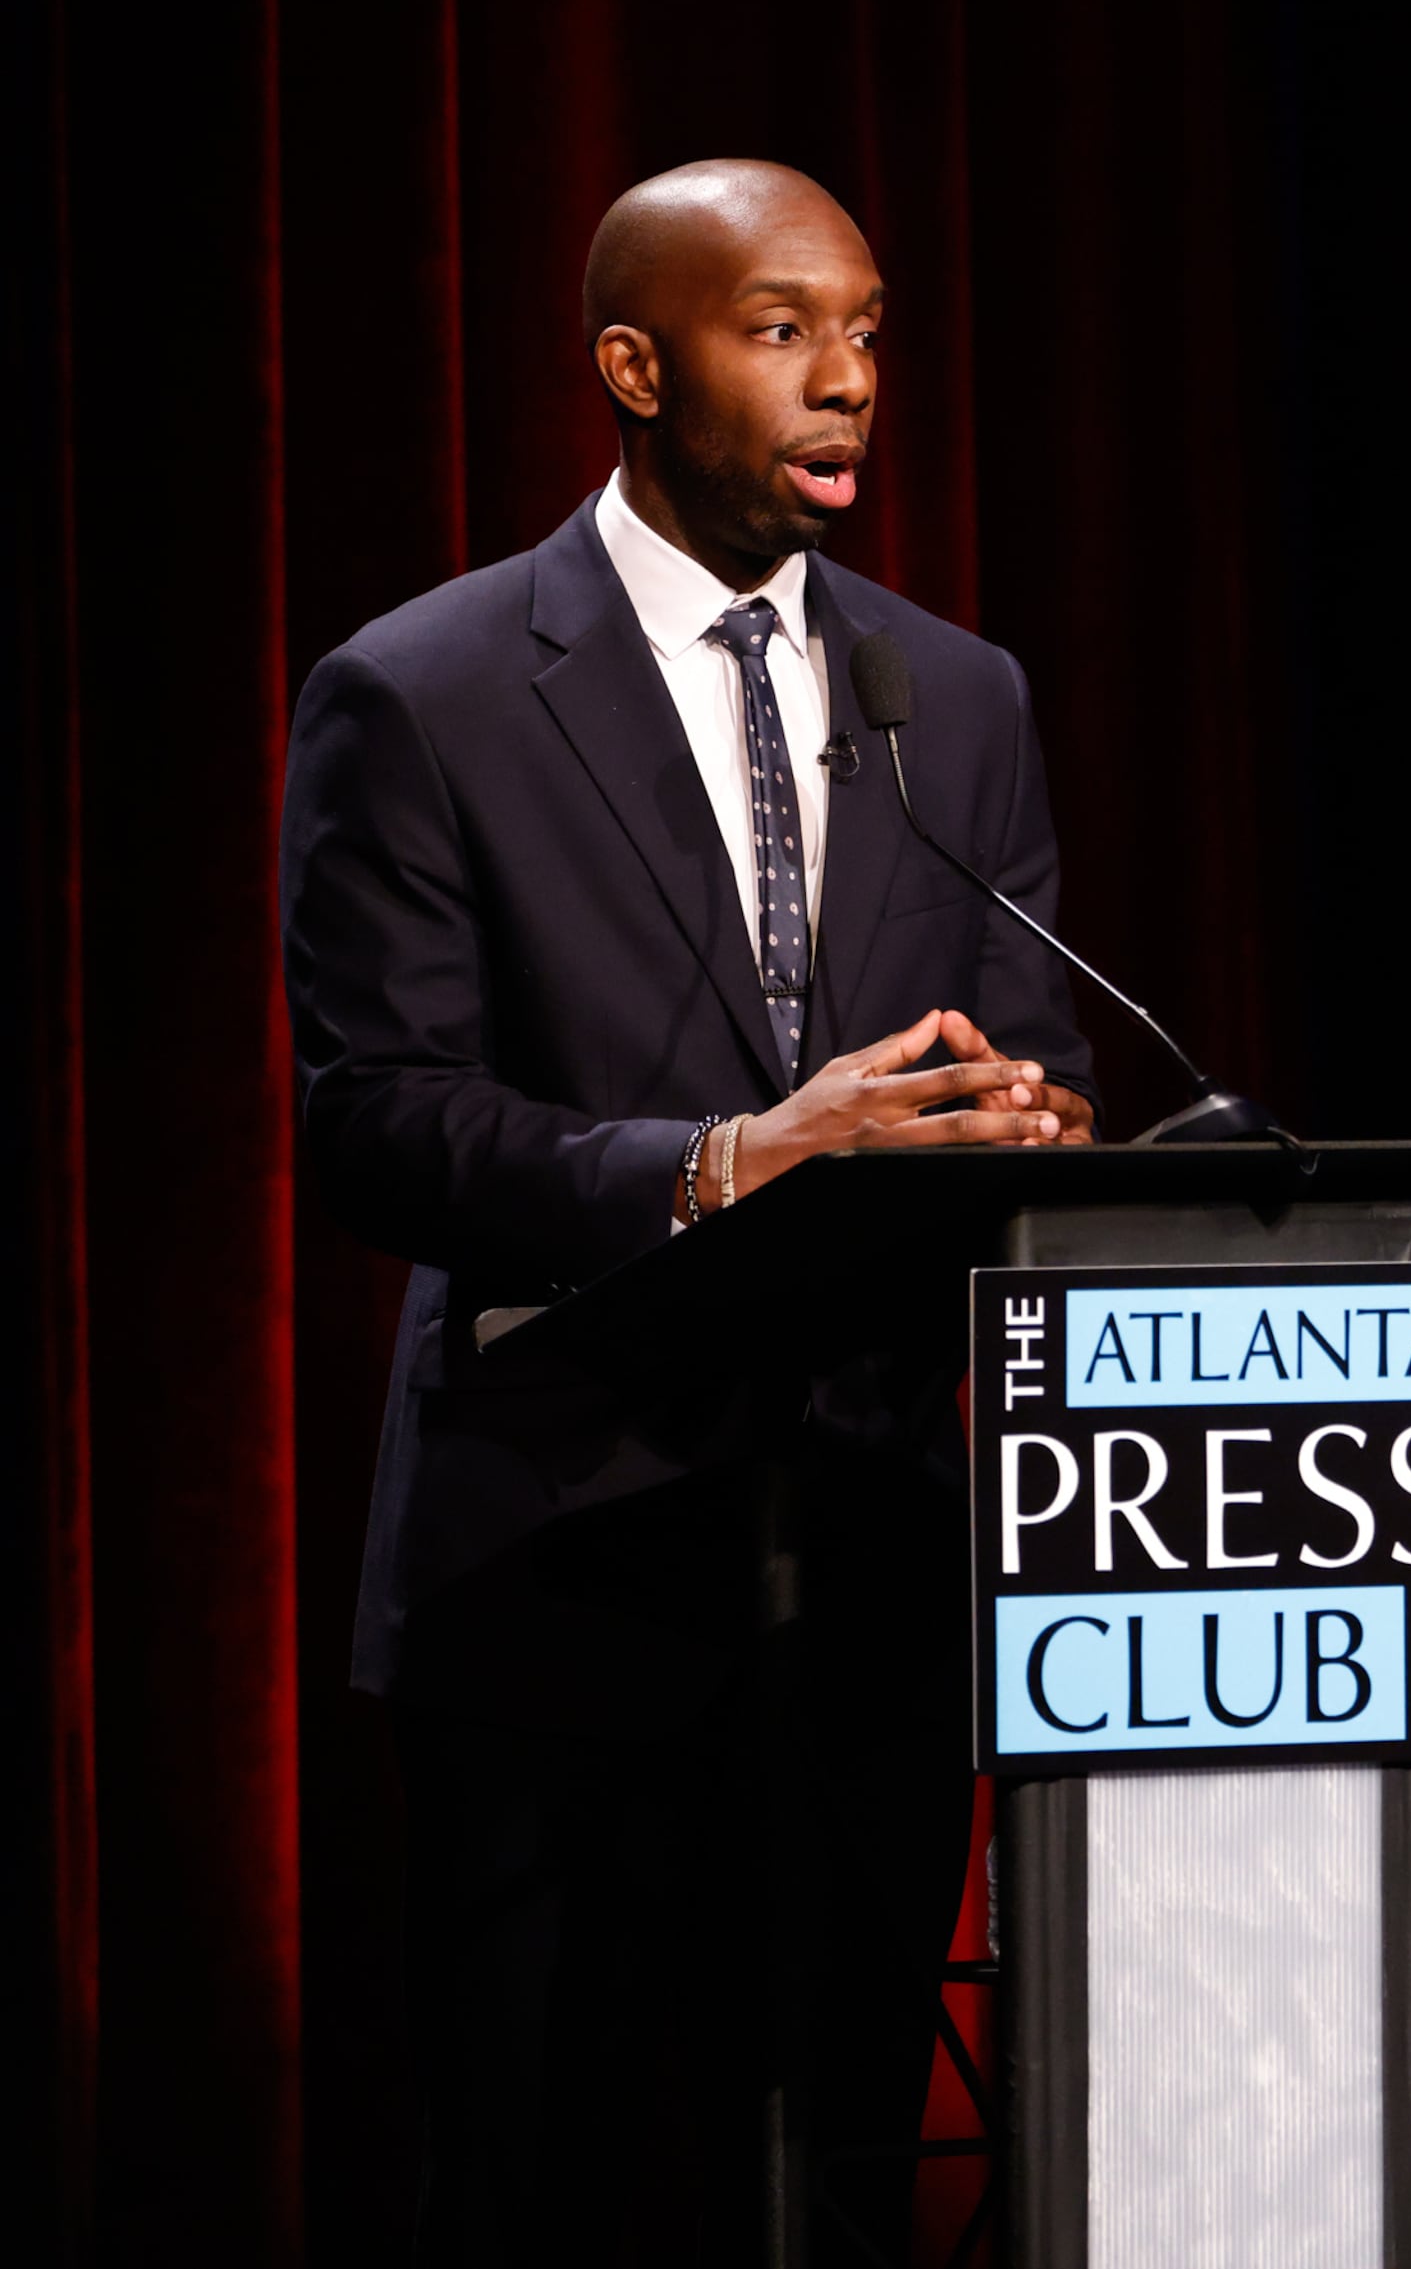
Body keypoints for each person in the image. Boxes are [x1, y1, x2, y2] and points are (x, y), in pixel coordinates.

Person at [280, 159, 1100, 2263]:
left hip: (870, 1572)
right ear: (633, 366)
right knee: (551, 2188)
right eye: (780, 330)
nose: (847, 383)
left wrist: (1016, 1126)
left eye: (872, 331)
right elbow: (376, 1123)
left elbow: (1003, 1044)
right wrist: (730, 1164)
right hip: (555, 1565)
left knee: (834, 2180)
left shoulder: (960, 694)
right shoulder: (427, 688)